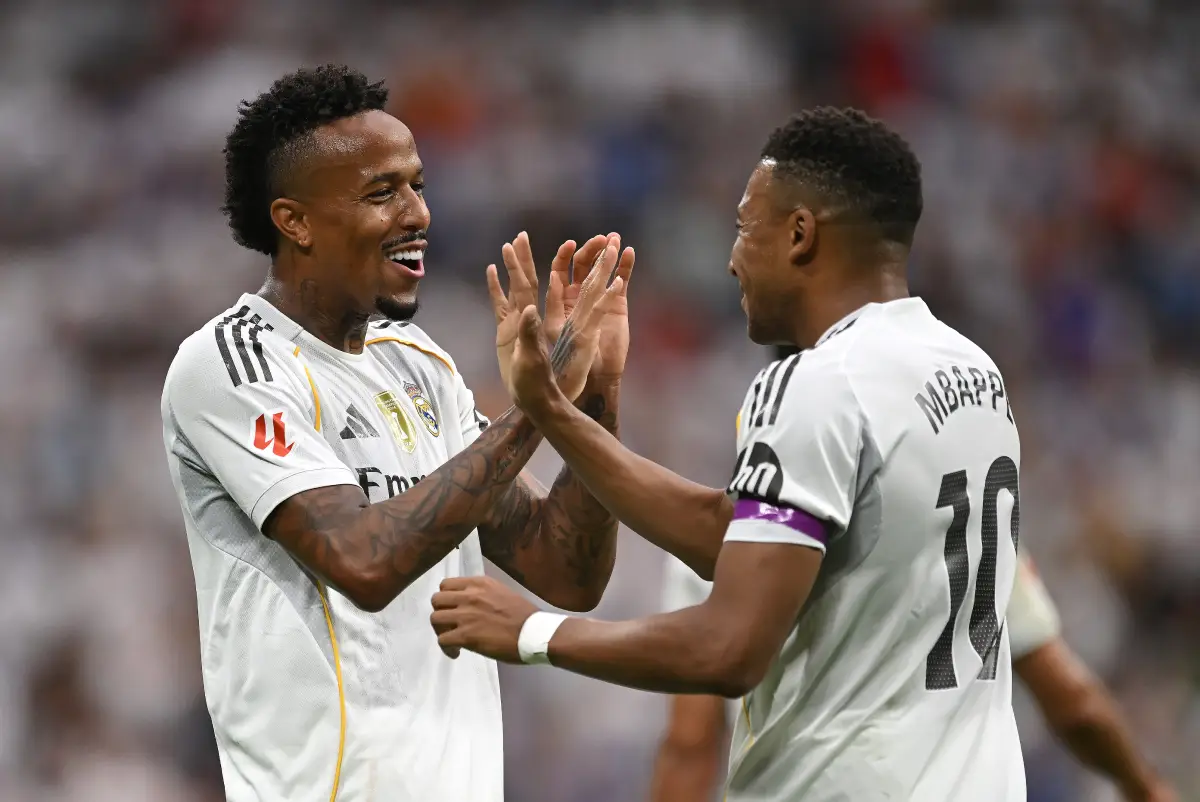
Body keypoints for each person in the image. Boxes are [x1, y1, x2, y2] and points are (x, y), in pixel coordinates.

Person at [431, 107, 1028, 801]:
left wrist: (534, 632)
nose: (732, 257)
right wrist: (557, 411)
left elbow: (731, 646)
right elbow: (731, 536)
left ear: (800, 234)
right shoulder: (971, 369)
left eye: (746, 227)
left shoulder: (818, 382)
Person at [160, 64, 635, 802]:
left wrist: (592, 396)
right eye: (382, 193)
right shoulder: (229, 365)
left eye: (417, 185)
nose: (418, 213)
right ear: (295, 221)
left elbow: (565, 571)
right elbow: (363, 563)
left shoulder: (421, 367)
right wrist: (538, 407)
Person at [650, 549, 1177, 802]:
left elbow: (691, 745)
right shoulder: (962, 521)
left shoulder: (716, 535)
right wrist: (1145, 786)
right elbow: (1073, 702)